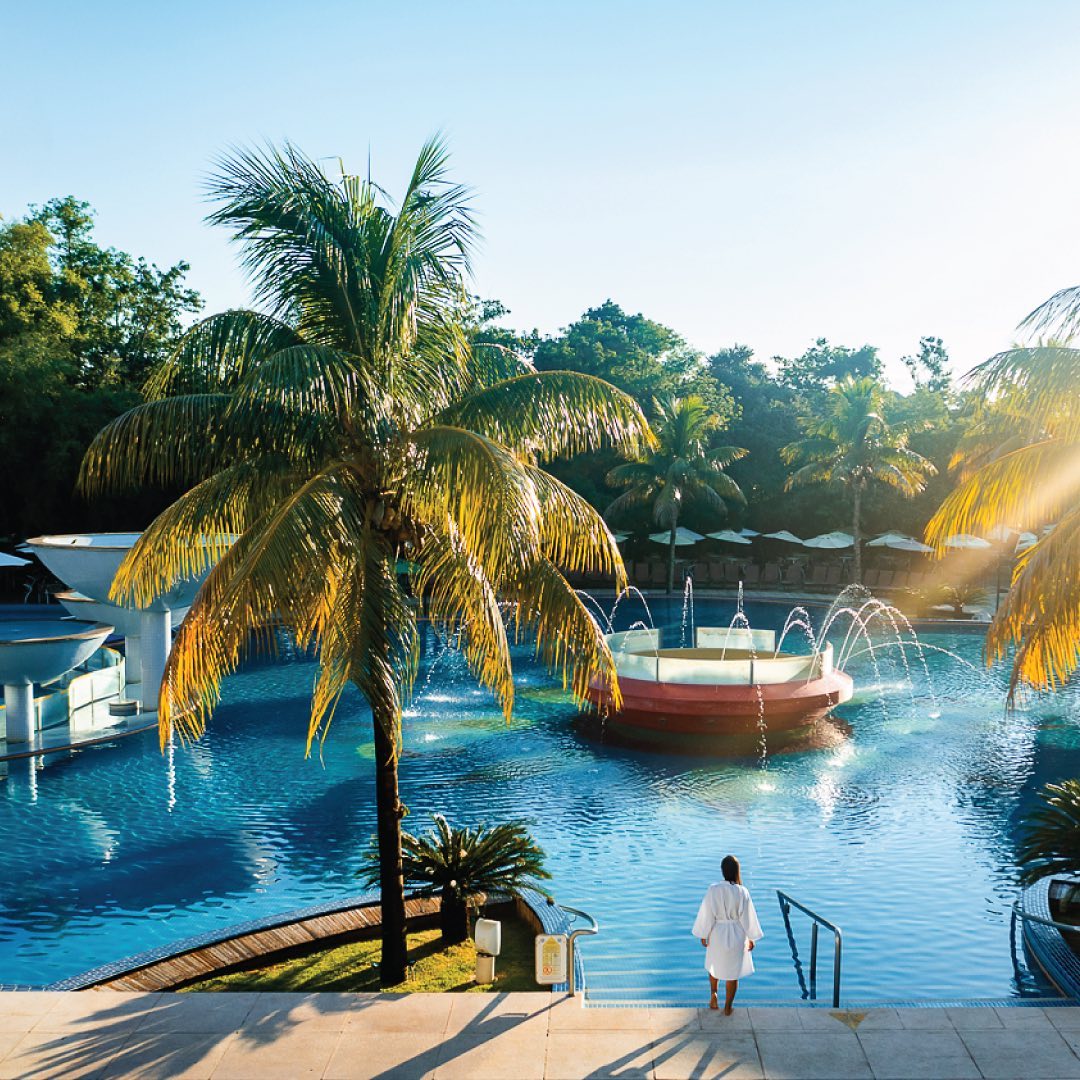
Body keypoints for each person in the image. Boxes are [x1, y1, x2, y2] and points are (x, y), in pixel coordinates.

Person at [692, 854, 763, 1013]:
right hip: (737, 935)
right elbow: (748, 917)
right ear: (737, 871)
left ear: (723, 871)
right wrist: (751, 937)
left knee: (713, 965)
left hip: (717, 932)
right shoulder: (742, 891)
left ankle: (714, 994)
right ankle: (728, 1007)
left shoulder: (713, 889)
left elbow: (707, 913)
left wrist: (704, 933)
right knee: (733, 973)